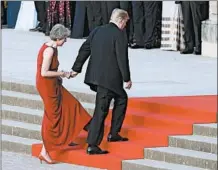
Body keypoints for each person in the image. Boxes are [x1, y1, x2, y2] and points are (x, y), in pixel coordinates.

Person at [71, 8, 132, 155]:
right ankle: (92, 144)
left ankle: (113, 133)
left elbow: (84, 49)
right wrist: (127, 78)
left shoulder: (97, 30)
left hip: (96, 77)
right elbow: (122, 58)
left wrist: (76, 68)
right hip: (109, 80)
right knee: (101, 110)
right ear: (121, 20)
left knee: (121, 98)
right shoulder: (119, 34)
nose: (125, 26)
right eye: (125, 23)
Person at [36, 24, 91, 163]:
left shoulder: (53, 47)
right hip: (47, 86)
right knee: (53, 116)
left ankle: (67, 136)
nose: (65, 41)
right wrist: (62, 73)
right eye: (64, 38)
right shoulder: (49, 51)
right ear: (59, 38)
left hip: (53, 83)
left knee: (71, 104)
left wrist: (60, 76)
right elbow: (44, 72)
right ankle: (45, 150)